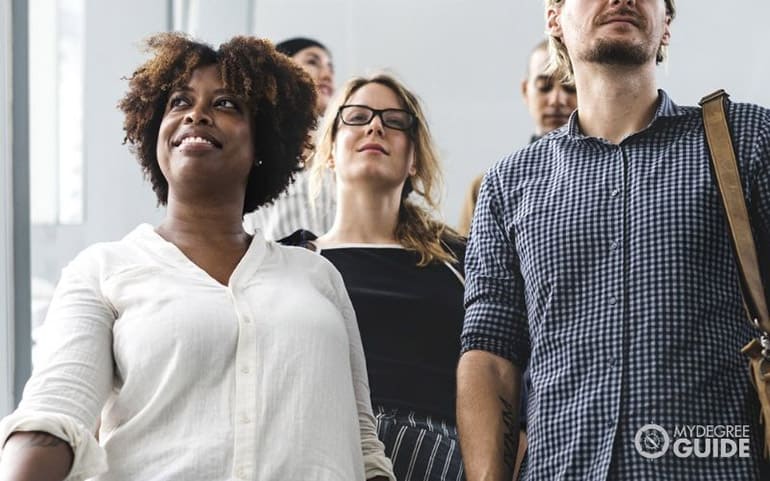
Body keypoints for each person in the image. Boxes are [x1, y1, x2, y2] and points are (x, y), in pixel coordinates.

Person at [0, 33, 394, 481]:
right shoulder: (104, 271)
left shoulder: (317, 276)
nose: (196, 113)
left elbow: (364, 447)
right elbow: (52, 419)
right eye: (178, 102)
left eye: (226, 104)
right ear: (154, 133)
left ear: (262, 143)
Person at [457, 1, 770, 480]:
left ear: (667, 26)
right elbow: (491, 355)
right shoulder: (508, 184)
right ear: (554, 18)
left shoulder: (746, 142)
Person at [281, 73, 467, 480]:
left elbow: (505, 375)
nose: (376, 126)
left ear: (413, 157)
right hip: (319, 458)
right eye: (357, 116)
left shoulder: (462, 262)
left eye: (395, 120)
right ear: (330, 149)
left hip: (440, 461)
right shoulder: (288, 262)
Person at [457, 39, 577, 236]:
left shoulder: (610, 178)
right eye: (544, 87)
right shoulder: (490, 187)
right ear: (525, 90)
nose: (557, 100)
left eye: (569, 86)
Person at [242, 37, 336, 240]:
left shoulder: (344, 152)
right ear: (282, 70)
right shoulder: (249, 145)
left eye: (330, 67)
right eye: (313, 62)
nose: (327, 74)